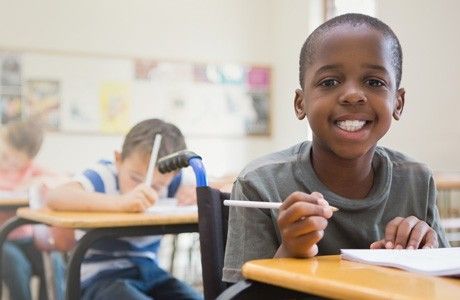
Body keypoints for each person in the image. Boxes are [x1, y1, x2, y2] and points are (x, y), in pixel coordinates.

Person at [223, 13, 450, 283]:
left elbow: (445, 286)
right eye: (329, 82)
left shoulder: (416, 180)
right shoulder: (260, 183)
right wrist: (289, 253)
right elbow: (241, 294)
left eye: (374, 82)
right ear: (300, 103)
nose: (353, 94)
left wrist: (425, 252)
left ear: (398, 103)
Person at [46, 118, 202, 300]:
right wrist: (121, 203)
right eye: (135, 179)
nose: (144, 189)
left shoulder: (171, 179)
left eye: (157, 187)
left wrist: (197, 193)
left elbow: (224, 182)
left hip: (149, 272)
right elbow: (56, 196)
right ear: (118, 160)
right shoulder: (105, 175)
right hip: (99, 277)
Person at [0, 119, 65, 300]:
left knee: (54, 262)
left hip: (29, 238)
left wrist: (37, 181)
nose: (8, 162)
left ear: (28, 159)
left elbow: (63, 180)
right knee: (16, 265)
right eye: (5, 156)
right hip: (3, 240)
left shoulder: (32, 171)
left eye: (15, 160)